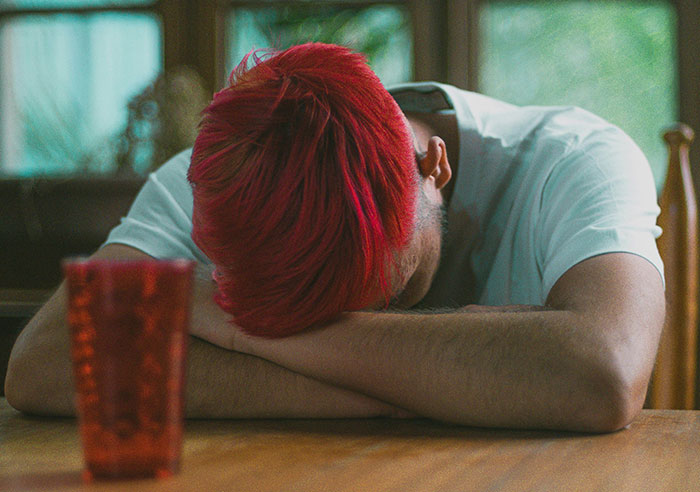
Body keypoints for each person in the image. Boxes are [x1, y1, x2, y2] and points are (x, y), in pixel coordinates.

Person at [5, 43, 665, 432]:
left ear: (432, 165)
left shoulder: (576, 160)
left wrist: (241, 329)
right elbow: (44, 365)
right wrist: (445, 385)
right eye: (299, 319)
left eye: (393, 289)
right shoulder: (221, 177)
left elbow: (601, 370)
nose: (367, 323)